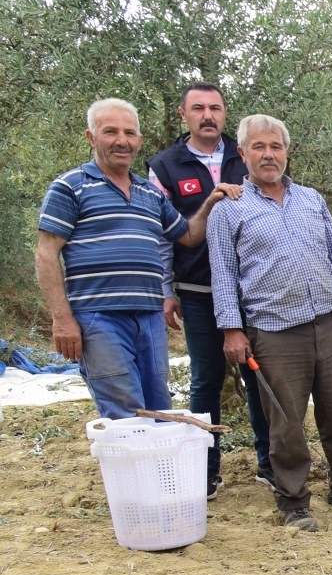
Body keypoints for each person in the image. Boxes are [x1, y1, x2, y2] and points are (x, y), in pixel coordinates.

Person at [207, 114, 332, 532]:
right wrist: (232, 329)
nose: (268, 155)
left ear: (287, 152)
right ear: (242, 153)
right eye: (259, 147)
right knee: (285, 422)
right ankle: (293, 501)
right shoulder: (227, 210)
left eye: (276, 146)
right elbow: (223, 273)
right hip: (273, 329)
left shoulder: (311, 199)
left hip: (328, 323)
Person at [36, 98, 235, 421]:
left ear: (139, 140)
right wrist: (62, 319)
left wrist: (211, 201)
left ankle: (157, 458)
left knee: (159, 408)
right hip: (99, 317)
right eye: (110, 132)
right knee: (125, 413)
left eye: (129, 133)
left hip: (150, 316)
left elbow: (187, 235)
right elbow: (46, 254)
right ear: (91, 137)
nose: (121, 141)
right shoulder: (70, 187)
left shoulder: (150, 193)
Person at [147, 82, 272, 497]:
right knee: (206, 379)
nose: (208, 116)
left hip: (250, 288)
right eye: (198, 108)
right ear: (183, 114)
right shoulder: (165, 166)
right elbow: (162, 234)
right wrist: (166, 289)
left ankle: (269, 462)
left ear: (224, 113)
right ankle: (205, 470)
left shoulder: (245, 153)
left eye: (215, 108)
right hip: (197, 288)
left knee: (259, 375)